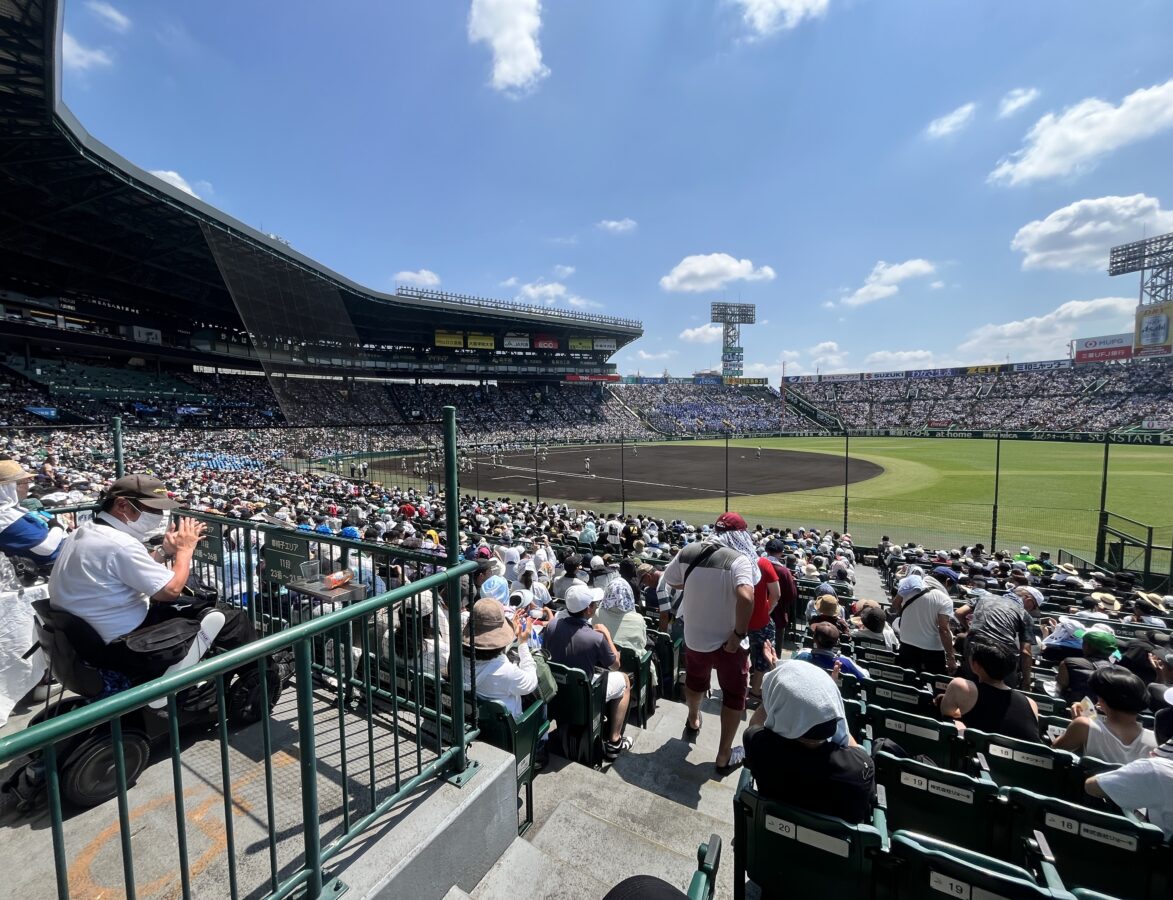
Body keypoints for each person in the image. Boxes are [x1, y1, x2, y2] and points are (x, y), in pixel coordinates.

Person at [48, 474, 258, 684]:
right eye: (153, 509)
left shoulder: (86, 532)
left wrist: (165, 551)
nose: (159, 515)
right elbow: (170, 591)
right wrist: (185, 550)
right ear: (122, 505)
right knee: (233, 619)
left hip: (88, 640)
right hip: (122, 645)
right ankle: (259, 680)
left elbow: (130, 568)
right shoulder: (119, 543)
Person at [662, 511, 756, 773]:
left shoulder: (688, 550)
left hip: (695, 636)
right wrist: (738, 635)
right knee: (735, 694)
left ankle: (693, 719)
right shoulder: (740, 560)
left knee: (695, 680)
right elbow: (747, 598)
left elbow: (672, 580)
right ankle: (724, 754)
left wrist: (698, 587)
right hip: (729, 643)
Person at [743, 657, 876, 824]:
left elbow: (754, 725)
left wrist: (774, 691)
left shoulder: (759, 746)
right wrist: (829, 699)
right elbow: (848, 742)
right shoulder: (860, 768)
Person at [543, 582, 633, 759]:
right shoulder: (596, 638)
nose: (595, 606)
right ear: (588, 610)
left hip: (556, 690)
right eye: (593, 604)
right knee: (624, 680)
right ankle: (615, 741)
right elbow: (615, 664)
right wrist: (606, 635)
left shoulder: (552, 625)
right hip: (584, 696)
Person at [937, 637, 1041, 742]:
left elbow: (946, 713)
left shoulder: (960, 686)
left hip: (984, 755)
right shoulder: (1031, 703)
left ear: (976, 665)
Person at [1052, 667, 1158, 764]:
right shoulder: (1155, 741)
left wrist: (1076, 720)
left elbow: (1055, 751)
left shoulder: (1083, 725)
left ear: (1101, 700)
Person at [460, 598, 537, 720]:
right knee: (540, 701)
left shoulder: (458, 659)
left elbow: (488, 653)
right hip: (507, 729)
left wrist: (512, 637)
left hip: (474, 718)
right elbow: (531, 682)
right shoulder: (507, 672)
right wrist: (523, 644)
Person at [955, 585, 1035, 688]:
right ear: (1028, 600)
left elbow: (959, 613)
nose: (1031, 610)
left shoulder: (984, 597)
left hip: (973, 644)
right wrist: (1026, 682)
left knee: (972, 685)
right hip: (1002, 654)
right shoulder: (1024, 614)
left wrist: (969, 629)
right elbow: (1026, 652)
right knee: (1004, 691)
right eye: (1033, 607)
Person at [0, 460, 64, 569]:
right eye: (24, 482)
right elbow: (47, 548)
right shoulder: (5, 518)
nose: (28, 487)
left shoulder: (10, 512)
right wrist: (57, 526)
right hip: (50, 568)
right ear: (8, 488)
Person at [892, 573, 957, 675]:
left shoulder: (911, 588)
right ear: (947, 581)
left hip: (906, 644)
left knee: (907, 680)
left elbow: (895, 604)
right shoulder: (945, 600)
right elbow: (944, 629)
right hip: (932, 651)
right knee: (931, 684)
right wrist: (951, 657)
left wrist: (906, 617)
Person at [746, 552, 780, 708]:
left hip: (736, 619)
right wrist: (766, 609)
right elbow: (776, 594)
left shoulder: (732, 559)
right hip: (760, 621)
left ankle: (737, 686)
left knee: (738, 653)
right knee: (762, 655)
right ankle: (755, 690)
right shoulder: (764, 563)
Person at [1056, 628, 1117, 705]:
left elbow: (1058, 690)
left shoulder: (1068, 663)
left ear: (1087, 646)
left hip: (1073, 711)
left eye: (1084, 643)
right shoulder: (1122, 672)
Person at [795, 622, 870, 681]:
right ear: (836, 642)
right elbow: (865, 677)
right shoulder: (845, 663)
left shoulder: (802, 656)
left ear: (814, 638)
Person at [592, 579, 648, 654]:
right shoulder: (638, 619)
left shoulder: (597, 613)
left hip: (601, 660)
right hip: (631, 664)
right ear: (629, 594)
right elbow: (642, 643)